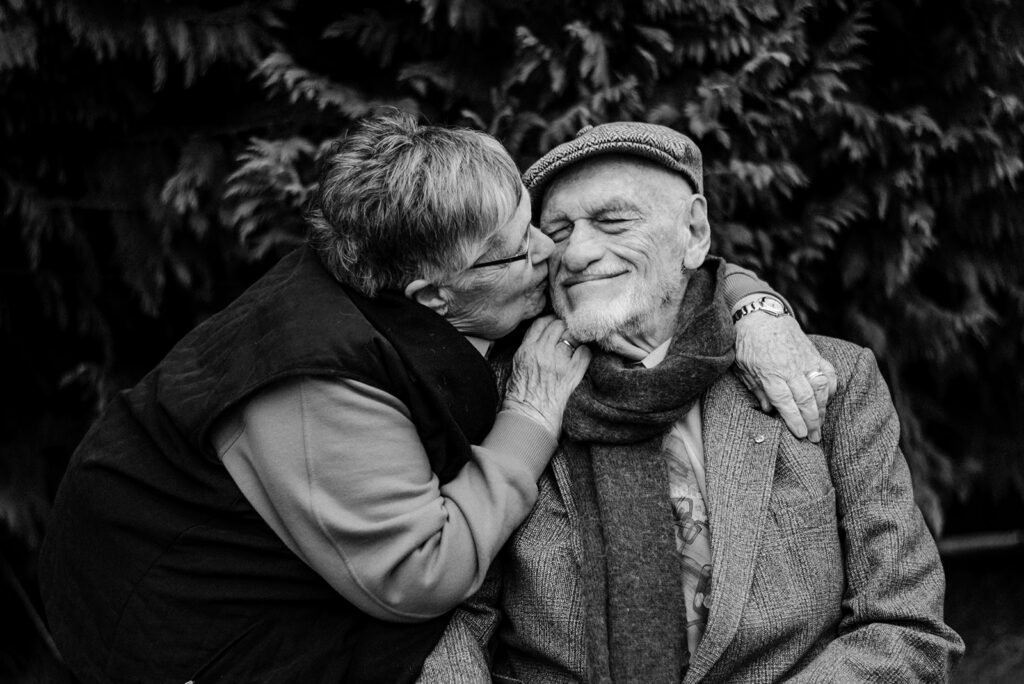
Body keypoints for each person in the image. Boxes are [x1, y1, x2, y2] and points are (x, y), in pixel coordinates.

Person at [38, 113, 832, 684]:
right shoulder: (319, 384)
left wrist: (754, 305)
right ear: (435, 298)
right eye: (522, 248)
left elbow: (661, 261)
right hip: (188, 622)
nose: (553, 251)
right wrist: (528, 417)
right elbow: (421, 574)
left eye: (531, 223)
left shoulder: (417, 260)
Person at [419, 122, 965, 683]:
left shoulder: (829, 378)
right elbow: (451, 618)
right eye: (557, 231)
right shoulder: (500, 393)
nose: (578, 252)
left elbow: (903, 622)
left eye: (614, 221)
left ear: (695, 232)